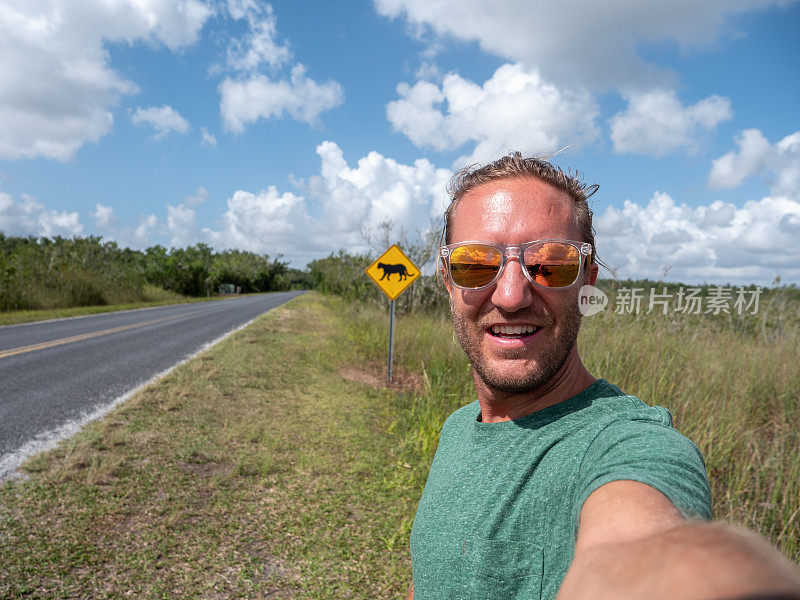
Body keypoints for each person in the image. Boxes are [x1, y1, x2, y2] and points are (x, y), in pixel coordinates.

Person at [406, 152, 800, 600]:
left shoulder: (626, 445)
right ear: (447, 281)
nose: (512, 295)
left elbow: (641, 550)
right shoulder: (459, 428)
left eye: (551, 263)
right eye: (475, 263)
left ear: (586, 282)